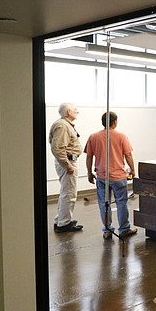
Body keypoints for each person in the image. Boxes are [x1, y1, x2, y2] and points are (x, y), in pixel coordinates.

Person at [84, 111, 137, 240]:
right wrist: (133, 170)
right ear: (114, 122)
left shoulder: (93, 137)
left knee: (104, 203)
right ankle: (124, 229)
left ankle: (107, 230)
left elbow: (89, 157)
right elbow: (128, 155)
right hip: (118, 177)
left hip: (102, 177)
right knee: (122, 203)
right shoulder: (121, 136)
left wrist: (89, 172)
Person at [49, 102, 84, 233]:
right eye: (75, 109)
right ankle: (64, 224)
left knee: (66, 192)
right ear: (68, 112)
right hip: (67, 163)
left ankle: (61, 220)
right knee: (69, 193)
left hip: (68, 162)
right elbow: (57, 148)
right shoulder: (62, 126)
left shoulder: (64, 125)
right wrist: (68, 165)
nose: (77, 111)